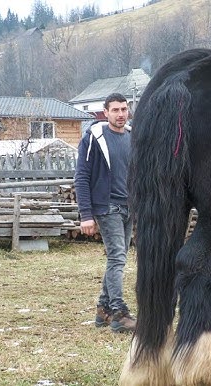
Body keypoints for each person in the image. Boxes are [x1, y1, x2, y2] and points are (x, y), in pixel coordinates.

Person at [75, 93, 136, 333]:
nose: (120, 114)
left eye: (124, 109)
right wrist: (86, 215)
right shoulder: (94, 138)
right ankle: (119, 312)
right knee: (118, 257)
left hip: (129, 206)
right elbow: (81, 177)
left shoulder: (132, 137)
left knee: (116, 257)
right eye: (115, 110)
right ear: (105, 112)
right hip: (107, 206)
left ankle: (103, 310)